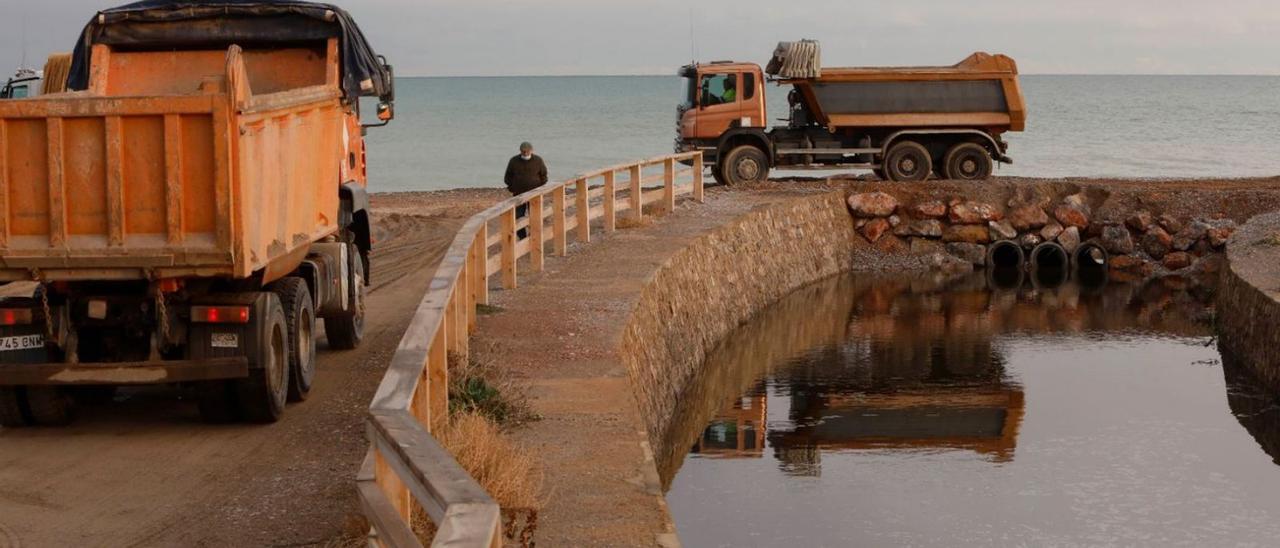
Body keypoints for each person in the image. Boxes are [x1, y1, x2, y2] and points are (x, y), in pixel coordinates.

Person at [504, 142, 548, 239]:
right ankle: (522, 237)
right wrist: (512, 187)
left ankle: (534, 235)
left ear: (532, 151)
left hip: (534, 194)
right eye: (523, 151)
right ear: (520, 151)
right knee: (518, 217)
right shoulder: (514, 161)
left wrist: (539, 189)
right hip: (518, 195)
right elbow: (508, 177)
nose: (525, 153)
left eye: (527, 151)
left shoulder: (538, 160)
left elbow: (544, 176)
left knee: (535, 215)